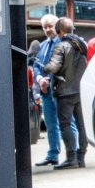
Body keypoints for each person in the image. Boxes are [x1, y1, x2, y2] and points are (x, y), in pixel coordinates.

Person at [43, 16, 89, 170]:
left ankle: (71, 158)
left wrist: (45, 68)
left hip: (65, 92)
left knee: (65, 124)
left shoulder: (62, 46)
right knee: (82, 125)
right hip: (81, 90)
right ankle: (81, 157)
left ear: (59, 31)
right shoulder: (82, 44)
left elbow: (53, 67)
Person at [31, 14, 67, 167]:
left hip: (60, 89)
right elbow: (36, 66)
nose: (47, 30)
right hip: (46, 91)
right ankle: (53, 155)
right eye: (44, 27)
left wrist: (49, 79)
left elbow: (64, 65)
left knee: (67, 123)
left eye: (50, 26)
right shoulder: (43, 46)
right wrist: (40, 79)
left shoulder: (64, 43)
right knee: (51, 124)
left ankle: (74, 154)